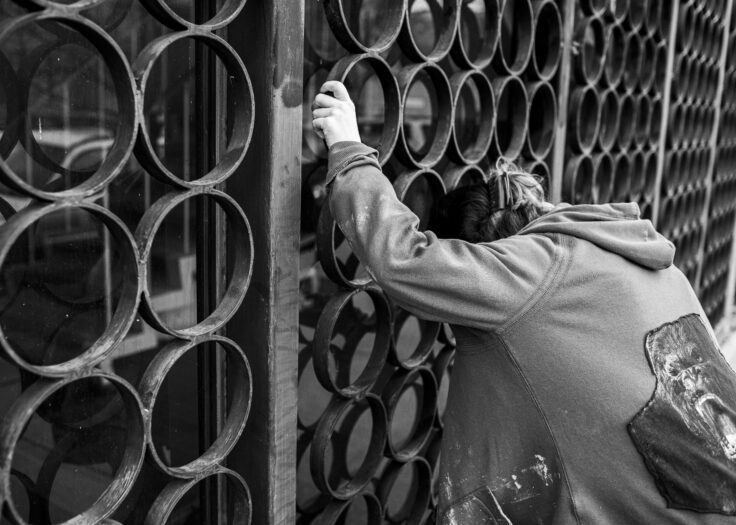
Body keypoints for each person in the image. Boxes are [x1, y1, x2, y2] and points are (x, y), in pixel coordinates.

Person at [312, 80, 736, 524]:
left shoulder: (527, 275)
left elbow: (403, 259)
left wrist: (349, 149)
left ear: (481, 255)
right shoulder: (638, 257)